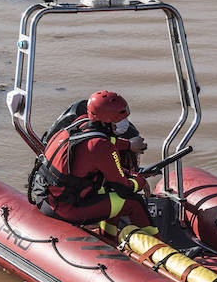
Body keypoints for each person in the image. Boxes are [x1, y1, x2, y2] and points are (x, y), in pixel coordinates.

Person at [33, 90, 155, 233]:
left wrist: (128, 145)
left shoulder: (82, 123)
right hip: (65, 208)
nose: (124, 123)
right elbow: (124, 188)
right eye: (119, 120)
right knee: (134, 202)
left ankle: (109, 237)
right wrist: (140, 181)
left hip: (45, 196)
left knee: (108, 189)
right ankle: (160, 245)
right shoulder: (102, 147)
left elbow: (99, 141)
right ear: (106, 121)